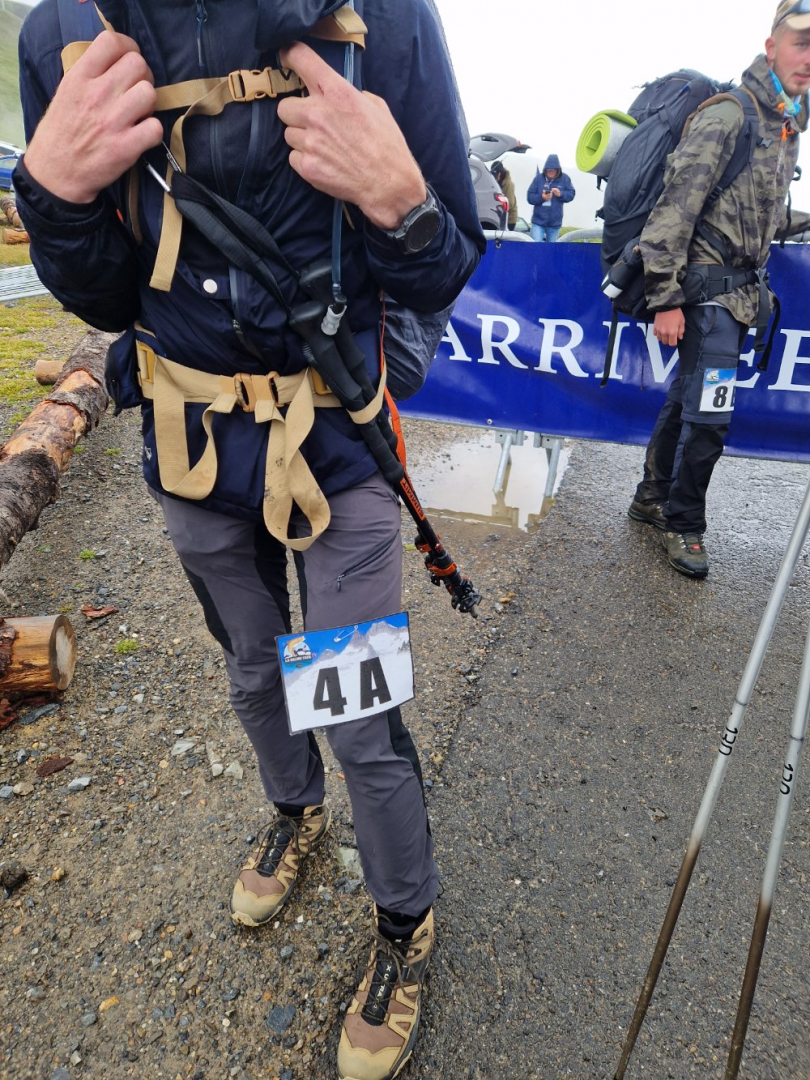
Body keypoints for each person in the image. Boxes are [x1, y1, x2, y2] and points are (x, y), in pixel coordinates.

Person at [14, 2, 484, 1077]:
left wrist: (402, 203)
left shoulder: (381, 16)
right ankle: (293, 811)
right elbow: (104, 294)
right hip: (191, 451)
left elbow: (442, 267)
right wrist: (52, 197)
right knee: (252, 669)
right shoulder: (64, 35)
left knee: (354, 708)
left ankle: (404, 921)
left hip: (340, 447)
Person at [628, 0, 810, 579]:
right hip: (706, 293)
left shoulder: (785, 125)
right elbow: (672, 212)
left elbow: (759, 217)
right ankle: (684, 524)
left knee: (688, 398)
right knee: (710, 417)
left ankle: (651, 498)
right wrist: (665, 298)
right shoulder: (731, 116)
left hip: (736, 296)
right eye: (802, 42)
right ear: (772, 47)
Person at [527, 153, 575, 242]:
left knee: (552, 248)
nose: (550, 172)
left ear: (557, 170)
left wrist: (560, 194)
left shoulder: (565, 179)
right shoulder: (538, 179)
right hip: (538, 222)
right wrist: (541, 197)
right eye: (548, 170)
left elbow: (571, 194)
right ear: (545, 169)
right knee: (536, 247)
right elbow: (530, 197)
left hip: (554, 224)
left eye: (553, 170)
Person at [491, 159, 518, 230]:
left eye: (495, 175)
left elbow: (510, 204)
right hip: (499, 217)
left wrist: (497, 205)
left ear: (499, 174)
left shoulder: (509, 184)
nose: (494, 178)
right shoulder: (496, 183)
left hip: (509, 219)